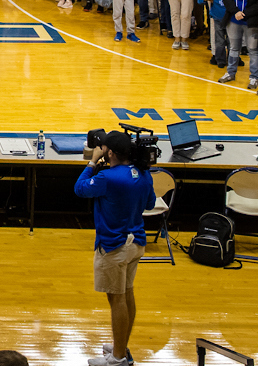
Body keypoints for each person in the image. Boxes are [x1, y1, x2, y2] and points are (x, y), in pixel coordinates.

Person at [74, 131, 155, 366]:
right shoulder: (143, 173)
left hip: (113, 246)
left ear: (109, 152)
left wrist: (91, 162)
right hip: (136, 242)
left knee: (117, 300)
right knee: (127, 294)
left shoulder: (107, 178)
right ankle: (121, 347)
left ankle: (118, 358)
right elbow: (149, 204)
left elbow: (80, 189)